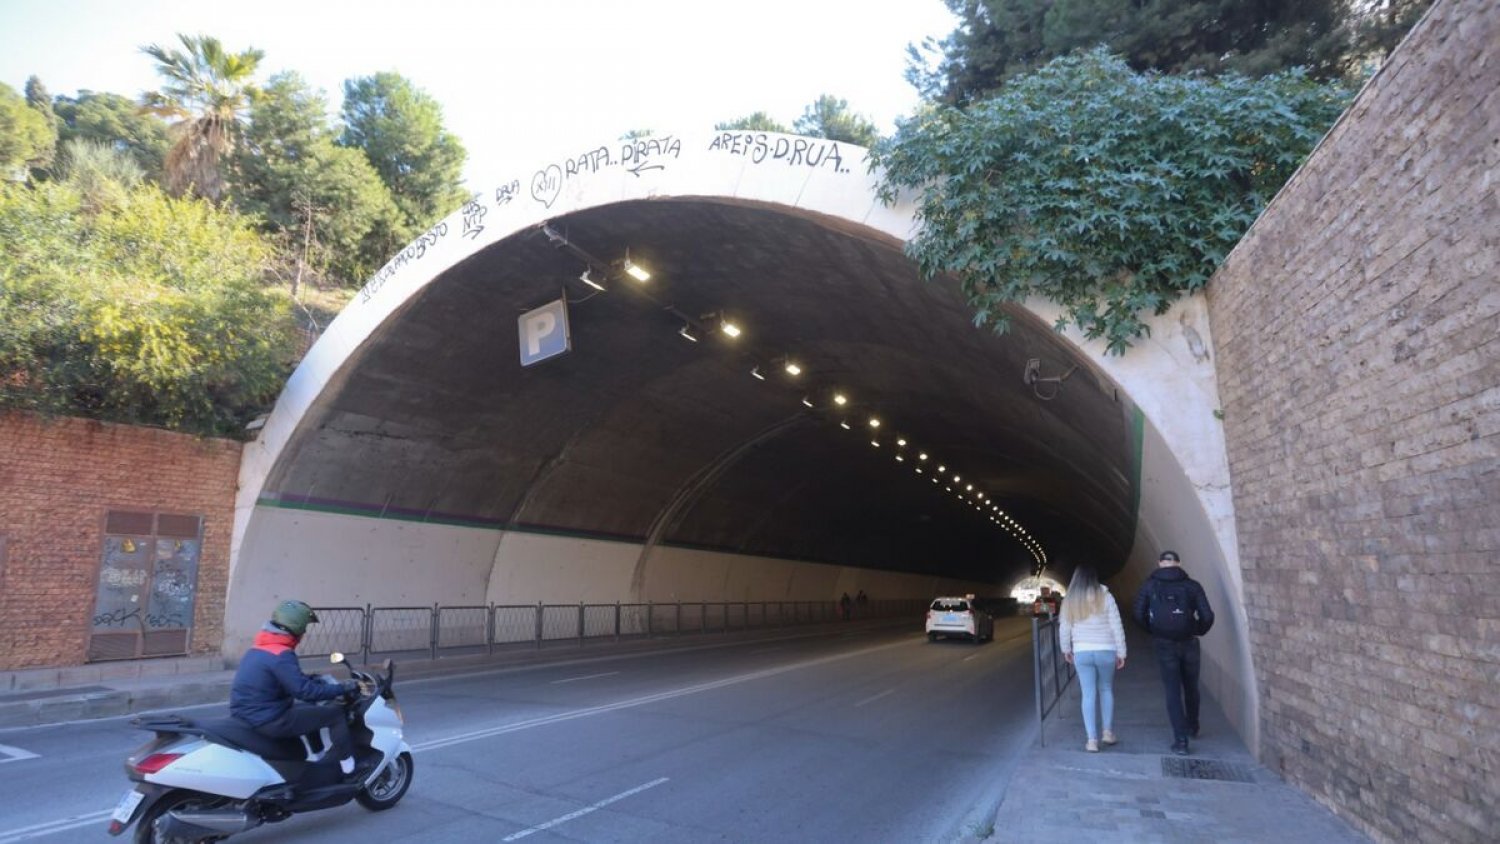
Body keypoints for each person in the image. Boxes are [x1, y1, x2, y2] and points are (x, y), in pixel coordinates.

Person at [230, 599, 361, 777]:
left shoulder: (259, 648)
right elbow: (305, 692)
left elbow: (282, 680)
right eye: (304, 628)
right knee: (335, 713)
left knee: (310, 711)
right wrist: (343, 688)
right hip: (270, 720)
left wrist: (309, 679)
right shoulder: (282, 654)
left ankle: (319, 757)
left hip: (249, 715)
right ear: (297, 628)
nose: (305, 632)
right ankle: (349, 768)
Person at [1132, 550, 1215, 756]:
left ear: (1160, 563)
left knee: (1172, 691)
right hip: (1189, 642)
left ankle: (1181, 741)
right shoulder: (1192, 586)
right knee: (1191, 686)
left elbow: (1137, 613)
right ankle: (1193, 726)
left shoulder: (1150, 585)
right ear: (1179, 563)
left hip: (1164, 644)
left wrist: (1153, 631)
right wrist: (1197, 630)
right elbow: (1207, 615)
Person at [1058, 565, 1127, 752]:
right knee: (1105, 689)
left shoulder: (1071, 600)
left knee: (1088, 694)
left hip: (1082, 651)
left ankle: (1091, 740)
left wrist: (1066, 649)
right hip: (1106, 650)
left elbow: (1064, 627)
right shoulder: (1106, 597)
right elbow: (1116, 626)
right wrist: (1122, 652)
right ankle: (1107, 732)